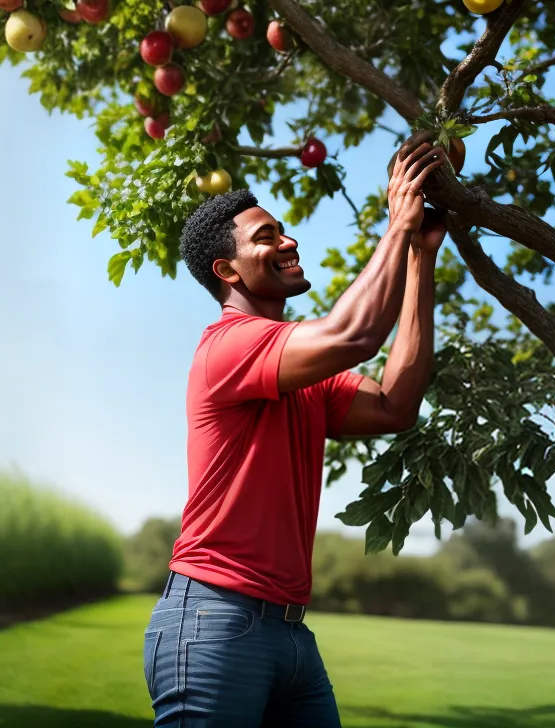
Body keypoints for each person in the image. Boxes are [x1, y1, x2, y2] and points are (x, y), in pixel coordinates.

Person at [142, 137, 449, 727]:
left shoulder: (299, 376)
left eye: (283, 230)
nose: (288, 241)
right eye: (266, 238)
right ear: (226, 270)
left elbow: (394, 406)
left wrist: (418, 257)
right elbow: (354, 334)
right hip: (213, 621)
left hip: (289, 634)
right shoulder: (227, 347)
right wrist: (398, 224)